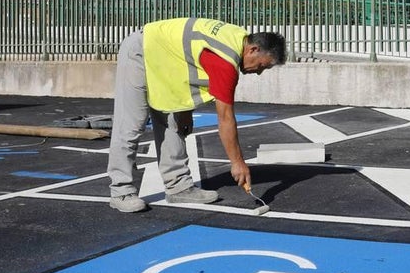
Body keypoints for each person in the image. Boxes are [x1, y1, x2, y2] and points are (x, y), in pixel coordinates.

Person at [106, 17, 286, 213]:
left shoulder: (238, 37)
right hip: (142, 51)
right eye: (261, 65)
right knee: (131, 124)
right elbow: (225, 118)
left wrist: (184, 110)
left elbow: (188, 60)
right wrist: (237, 163)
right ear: (253, 50)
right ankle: (121, 191)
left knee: (172, 122)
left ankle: (178, 188)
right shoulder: (225, 60)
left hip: (165, 59)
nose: (258, 72)